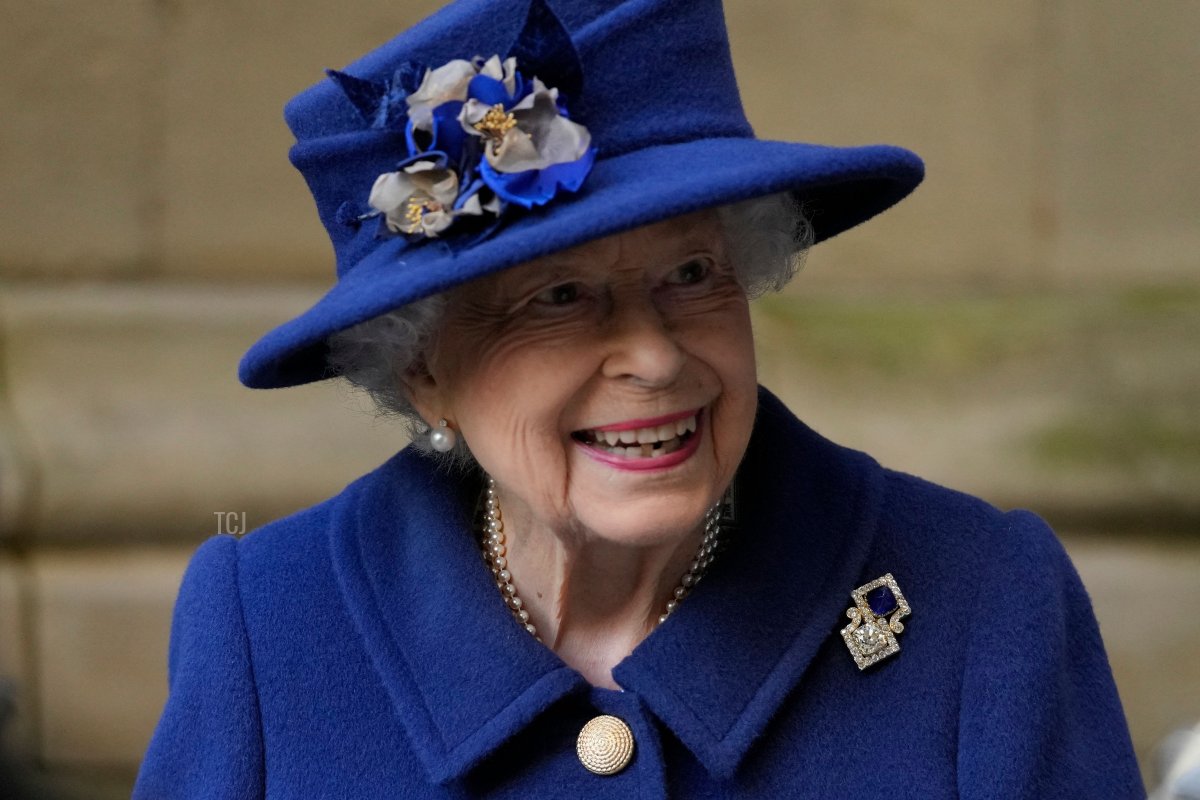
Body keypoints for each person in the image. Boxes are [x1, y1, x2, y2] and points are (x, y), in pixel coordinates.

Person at [133, 0, 1145, 797]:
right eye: (559, 297)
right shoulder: (267, 624)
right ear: (423, 369)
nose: (655, 357)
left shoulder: (984, 604)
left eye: (694, 275)